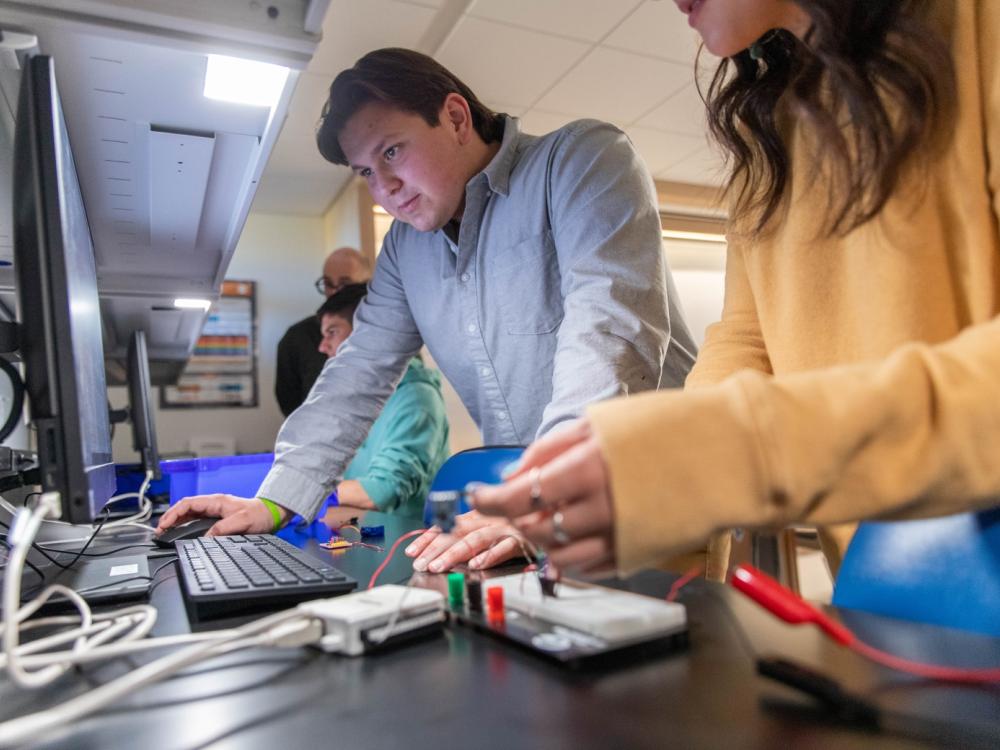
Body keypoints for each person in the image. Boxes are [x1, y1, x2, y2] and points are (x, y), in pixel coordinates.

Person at [472, 0, 1000, 581]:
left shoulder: (979, 27)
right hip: (890, 587)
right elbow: (746, 339)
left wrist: (738, 452)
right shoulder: (766, 123)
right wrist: (663, 479)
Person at [156, 48, 698, 554]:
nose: (384, 185)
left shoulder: (581, 161)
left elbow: (608, 334)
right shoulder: (405, 249)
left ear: (457, 118)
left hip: (656, 492)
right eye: (366, 171)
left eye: (392, 150)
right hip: (536, 514)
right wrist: (276, 499)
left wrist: (542, 494)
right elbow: (359, 370)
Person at [317, 283, 449, 515]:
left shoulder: (417, 398)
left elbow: (384, 489)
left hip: (408, 544)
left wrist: (301, 493)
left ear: (366, 333)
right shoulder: (362, 397)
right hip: (364, 535)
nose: (322, 347)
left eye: (332, 332)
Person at [274, 246, 371, 416]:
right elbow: (289, 403)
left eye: (345, 284)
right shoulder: (296, 339)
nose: (334, 292)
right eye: (327, 283)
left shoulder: (391, 335)